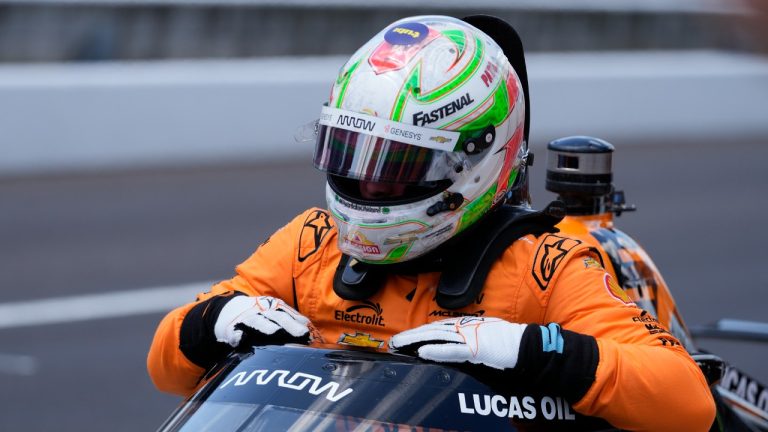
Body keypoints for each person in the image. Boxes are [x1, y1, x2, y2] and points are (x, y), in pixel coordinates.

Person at [147, 15, 715, 431]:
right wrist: (210, 322)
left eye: (394, 167)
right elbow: (167, 369)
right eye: (353, 156)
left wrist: (534, 351)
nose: (367, 188)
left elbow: (689, 403)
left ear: (474, 162)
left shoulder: (543, 270)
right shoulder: (310, 244)